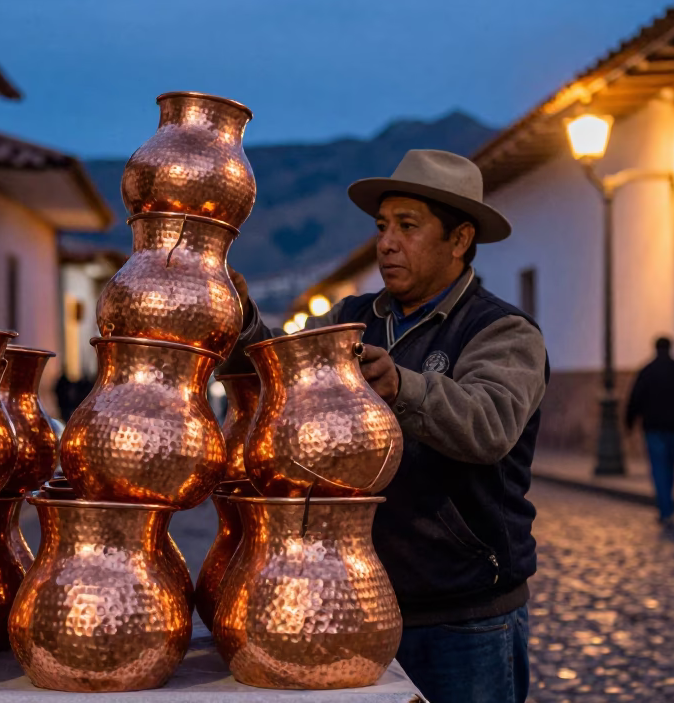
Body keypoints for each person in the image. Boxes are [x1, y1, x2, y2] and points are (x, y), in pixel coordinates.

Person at [221, 150, 548, 703]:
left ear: (460, 239)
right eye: (382, 226)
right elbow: (280, 368)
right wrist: (241, 317)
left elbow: (489, 427)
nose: (387, 243)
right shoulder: (354, 316)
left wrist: (403, 384)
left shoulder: (502, 332)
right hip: (351, 603)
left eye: (408, 227)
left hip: (461, 616)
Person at [624, 336, 674, 527]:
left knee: (659, 467)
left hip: (654, 428)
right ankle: (668, 504)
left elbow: (635, 399)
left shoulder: (647, 371)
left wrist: (629, 423)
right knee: (670, 466)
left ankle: (665, 508)